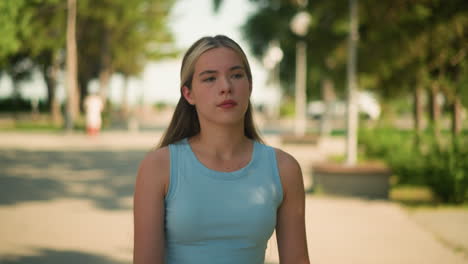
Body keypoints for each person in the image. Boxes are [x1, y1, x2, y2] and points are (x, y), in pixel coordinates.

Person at [133, 35, 309, 264]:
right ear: (189, 94)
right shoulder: (158, 167)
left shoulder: (284, 169)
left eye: (236, 75)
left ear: (250, 85)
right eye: (209, 79)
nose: (226, 87)